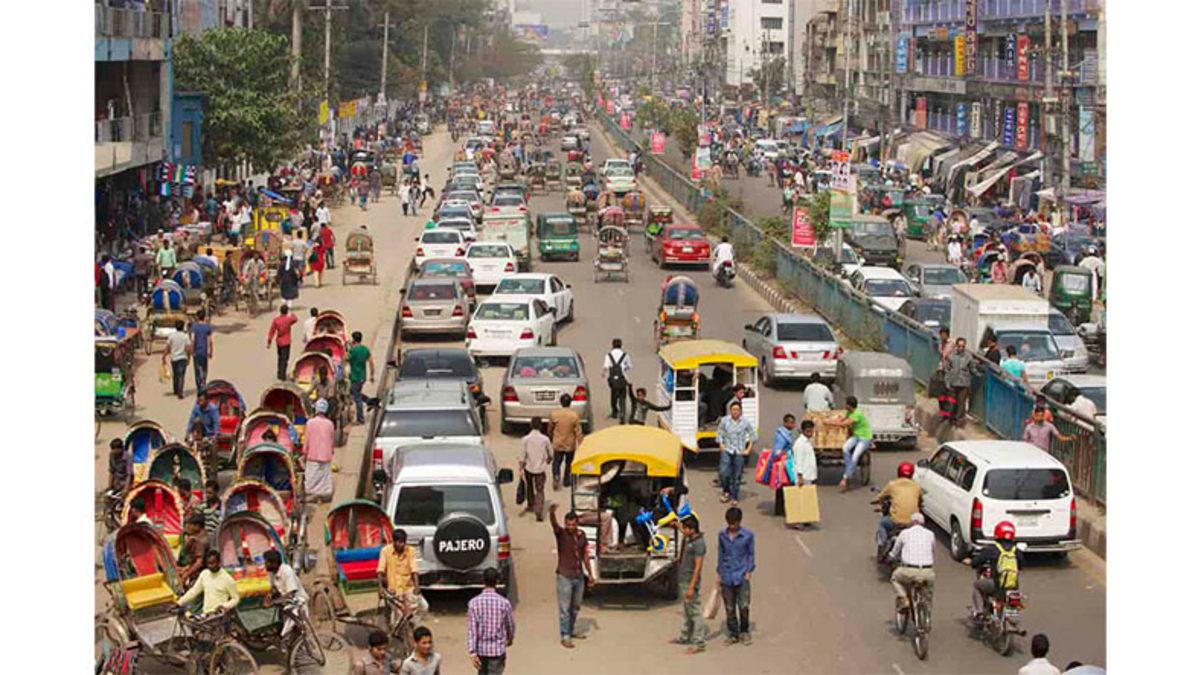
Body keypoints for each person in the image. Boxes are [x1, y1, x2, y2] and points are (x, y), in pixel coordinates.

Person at [549, 503, 594, 648]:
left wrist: (590, 574)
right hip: (564, 576)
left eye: (573, 524)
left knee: (575, 606)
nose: (570, 527)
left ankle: (571, 629)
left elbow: (585, 556)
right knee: (564, 609)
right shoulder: (561, 534)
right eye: (568, 524)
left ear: (577, 524)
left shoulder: (581, 536)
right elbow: (554, 525)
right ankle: (565, 635)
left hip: (578, 576)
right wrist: (551, 513)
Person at [967, 521, 1025, 618]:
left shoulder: (993, 549)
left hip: (996, 585)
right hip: (1013, 586)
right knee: (1014, 596)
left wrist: (970, 561)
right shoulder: (1016, 551)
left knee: (977, 585)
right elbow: (1021, 566)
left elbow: (976, 562)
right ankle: (1012, 619)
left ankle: (979, 612)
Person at [717, 507, 755, 645]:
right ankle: (733, 633)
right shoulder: (722, 535)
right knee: (729, 607)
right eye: (730, 524)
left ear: (739, 522)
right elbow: (721, 554)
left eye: (734, 524)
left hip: (741, 575)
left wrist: (749, 571)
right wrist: (719, 573)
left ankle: (744, 631)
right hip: (727, 575)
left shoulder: (748, 536)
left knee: (744, 605)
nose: (732, 526)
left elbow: (751, 554)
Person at [466, 567, 515, 674]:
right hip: (497, 651)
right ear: (497, 581)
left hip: (481, 651)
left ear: (483, 581)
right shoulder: (504, 603)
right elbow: (510, 625)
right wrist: (510, 638)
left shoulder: (474, 603)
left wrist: (472, 652)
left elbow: (472, 630)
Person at [674, 514, 708, 654]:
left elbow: (698, 567)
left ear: (692, 529)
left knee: (694, 612)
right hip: (683, 579)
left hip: (689, 581)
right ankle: (685, 636)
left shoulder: (699, 544)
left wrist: (691, 587)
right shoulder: (691, 538)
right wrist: (677, 525)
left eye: (686, 528)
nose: (684, 531)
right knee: (687, 611)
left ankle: (699, 642)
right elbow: (684, 531)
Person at [887, 513, 936, 611]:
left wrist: (890, 558)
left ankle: (904, 599)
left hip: (909, 570)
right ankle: (928, 605)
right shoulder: (930, 534)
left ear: (911, 522)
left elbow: (895, 551)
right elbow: (933, 551)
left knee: (895, 578)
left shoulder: (904, 533)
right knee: (929, 589)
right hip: (927, 571)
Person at [823, 396, 873, 491]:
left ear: (850, 405)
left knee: (855, 456)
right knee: (845, 448)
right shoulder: (849, 412)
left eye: (846, 404)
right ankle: (849, 467)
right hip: (856, 436)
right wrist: (830, 420)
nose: (845, 405)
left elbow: (843, 424)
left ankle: (846, 477)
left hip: (864, 438)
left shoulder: (857, 414)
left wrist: (828, 423)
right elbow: (841, 420)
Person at [377, 528, 427, 622]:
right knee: (399, 616)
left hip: (408, 588)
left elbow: (414, 569)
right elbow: (380, 570)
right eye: (399, 542)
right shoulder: (385, 551)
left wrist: (417, 586)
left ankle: (411, 625)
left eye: (403, 542)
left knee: (424, 607)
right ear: (394, 542)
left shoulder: (410, 550)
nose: (402, 544)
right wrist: (380, 588)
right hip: (393, 590)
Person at [873, 461, 922, 548]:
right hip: (912, 522)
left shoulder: (892, 484)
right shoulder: (917, 487)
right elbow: (921, 500)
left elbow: (880, 497)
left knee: (882, 524)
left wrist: (875, 500)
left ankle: (882, 543)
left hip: (895, 521)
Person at [716, 401, 757, 505]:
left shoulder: (745, 422)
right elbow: (719, 433)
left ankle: (735, 496)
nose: (735, 412)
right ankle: (726, 491)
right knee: (724, 473)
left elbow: (753, 436)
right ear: (730, 411)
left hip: (739, 451)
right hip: (727, 450)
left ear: (741, 411)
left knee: (737, 476)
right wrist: (721, 445)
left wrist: (748, 449)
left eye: (737, 410)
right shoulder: (725, 421)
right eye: (733, 410)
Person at [262, 549, 309, 637]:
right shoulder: (272, 572)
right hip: (286, 603)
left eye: (267, 562)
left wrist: (272, 603)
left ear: (274, 563)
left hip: (297, 602)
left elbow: (291, 594)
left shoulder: (287, 571)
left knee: (288, 632)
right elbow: (274, 587)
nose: (265, 564)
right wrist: (269, 596)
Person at [176, 550, 239, 614]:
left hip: (219, 616)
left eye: (212, 563)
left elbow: (235, 599)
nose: (210, 566)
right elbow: (194, 591)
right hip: (206, 614)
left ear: (219, 562)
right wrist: (179, 603)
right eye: (208, 564)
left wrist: (224, 606)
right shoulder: (204, 574)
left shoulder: (227, 579)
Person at [519, 417, 552, 521]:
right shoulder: (545, 439)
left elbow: (522, 455)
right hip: (540, 469)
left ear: (531, 425)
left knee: (529, 486)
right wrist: (548, 460)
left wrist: (521, 467)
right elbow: (550, 453)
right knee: (540, 490)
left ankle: (530, 505)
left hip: (528, 467)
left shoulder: (525, 439)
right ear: (541, 426)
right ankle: (539, 510)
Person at [302, 398, 336, 502]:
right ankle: (323, 494)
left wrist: (304, 451)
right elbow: (331, 440)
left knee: (312, 476)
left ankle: (312, 494)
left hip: (313, 455)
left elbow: (307, 439)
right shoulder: (330, 424)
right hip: (326, 455)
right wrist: (331, 450)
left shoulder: (310, 423)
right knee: (324, 476)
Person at [548, 393, 584, 491]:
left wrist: (550, 438)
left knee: (557, 462)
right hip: (570, 444)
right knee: (569, 462)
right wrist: (581, 443)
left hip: (558, 442)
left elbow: (550, 428)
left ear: (561, 402)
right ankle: (566, 480)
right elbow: (578, 431)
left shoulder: (554, 414)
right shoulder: (574, 415)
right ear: (570, 403)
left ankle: (556, 475)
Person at [943, 338, 975, 426]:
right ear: (956, 346)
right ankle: (951, 418)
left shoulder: (968, 357)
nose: (961, 348)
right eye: (959, 346)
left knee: (961, 402)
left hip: (964, 383)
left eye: (963, 346)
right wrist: (947, 381)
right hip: (953, 382)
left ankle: (959, 420)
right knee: (952, 402)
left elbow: (972, 369)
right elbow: (947, 369)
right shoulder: (951, 356)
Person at [770, 414, 796, 516]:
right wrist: (784, 454)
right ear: (785, 423)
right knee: (784, 486)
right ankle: (782, 509)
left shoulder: (785, 433)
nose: (792, 424)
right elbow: (777, 451)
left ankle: (780, 509)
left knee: (781, 486)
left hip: (783, 462)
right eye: (790, 422)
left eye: (793, 422)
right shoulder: (782, 436)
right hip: (783, 463)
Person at [348, 331, 375, 424]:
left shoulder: (353, 351)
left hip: (355, 377)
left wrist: (348, 349)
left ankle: (360, 419)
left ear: (354, 340)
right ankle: (369, 401)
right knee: (354, 391)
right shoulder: (365, 349)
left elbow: (345, 359)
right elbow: (371, 362)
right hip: (363, 376)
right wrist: (372, 375)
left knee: (357, 399)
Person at [602, 338, 631, 422]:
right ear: (621, 345)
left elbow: (606, 367)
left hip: (613, 380)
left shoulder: (609, 355)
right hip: (623, 379)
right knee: (623, 396)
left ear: (612, 345)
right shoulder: (625, 355)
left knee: (613, 395)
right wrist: (624, 368)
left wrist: (603, 373)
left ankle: (614, 411)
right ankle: (622, 413)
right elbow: (629, 366)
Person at [267, 304, 298, 381]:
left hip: (279, 342)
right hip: (286, 341)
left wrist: (269, 341)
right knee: (285, 358)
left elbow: (272, 331)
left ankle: (279, 373)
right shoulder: (288, 319)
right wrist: (291, 313)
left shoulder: (276, 320)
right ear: (286, 311)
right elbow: (295, 319)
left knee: (280, 357)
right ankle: (283, 374)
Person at [177, 515, 209, 587]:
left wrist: (186, 575)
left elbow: (198, 563)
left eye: (189, 525)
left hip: (201, 574)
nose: (186, 527)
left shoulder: (200, 541)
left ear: (197, 526)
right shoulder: (200, 536)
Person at [163, 320, 190, 399]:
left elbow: (168, 347)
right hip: (182, 358)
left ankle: (176, 390)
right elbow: (188, 348)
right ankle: (180, 392)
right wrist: (189, 358)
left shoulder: (171, 336)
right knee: (181, 375)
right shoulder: (185, 336)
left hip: (174, 358)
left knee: (176, 374)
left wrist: (164, 356)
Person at [189, 310, 213, 392]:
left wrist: (192, 350)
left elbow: (192, 340)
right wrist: (210, 351)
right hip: (204, 351)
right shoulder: (207, 327)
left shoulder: (194, 327)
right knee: (204, 368)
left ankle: (199, 387)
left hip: (196, 351)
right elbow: (209, 340)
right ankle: (204, 381)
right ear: (204, 317)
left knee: (197, 369)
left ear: (197, 317)